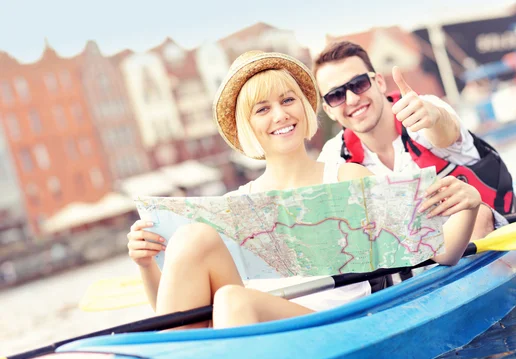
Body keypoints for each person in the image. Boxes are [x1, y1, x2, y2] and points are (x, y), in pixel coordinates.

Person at [126, 51, 482, 329]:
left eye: (287, 100)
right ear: (247, 127)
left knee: (235, 301)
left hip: (337, 326)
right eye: (262, 109)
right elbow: (175, 315)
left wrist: (468, 206)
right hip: (258, 328)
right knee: (192, 240)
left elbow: (443, 253)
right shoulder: (233, 205)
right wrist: (145, 265)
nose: (280, 115)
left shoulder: (348, 178)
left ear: (305, 107)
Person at [313, 41, 515, 240]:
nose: (352, 99)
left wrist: (434, 116)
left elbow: (446, 131)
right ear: (329, 110)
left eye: (359, 84)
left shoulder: (424, 109)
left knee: (477, 214)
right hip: (419, 260)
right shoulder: (332, 159)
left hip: (493, 231)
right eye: (335, 95)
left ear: (379, 83)